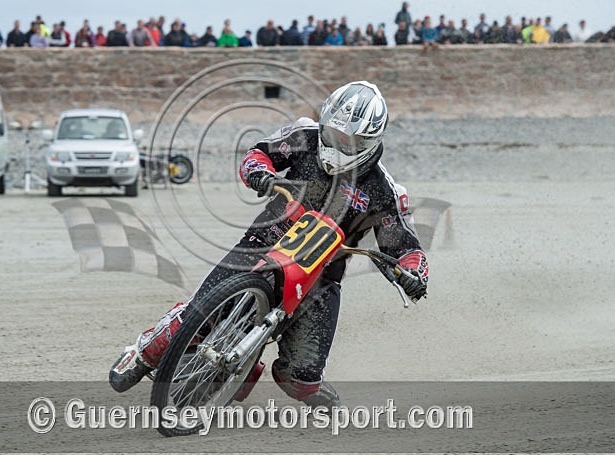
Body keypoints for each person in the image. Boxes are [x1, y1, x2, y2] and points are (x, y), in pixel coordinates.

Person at [109, 81, 429, 408]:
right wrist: (261, 173)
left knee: (301, 379)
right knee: (199, 312)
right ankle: (144, 351)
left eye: (351, 140)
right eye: (334, 134)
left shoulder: (386, 191)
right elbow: (259, 153)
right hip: (262, 241)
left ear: (371, 141)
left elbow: (406, 245)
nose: (340, 143)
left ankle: (292, 380)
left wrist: (412, 273)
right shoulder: (305, 136)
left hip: (321, 277)